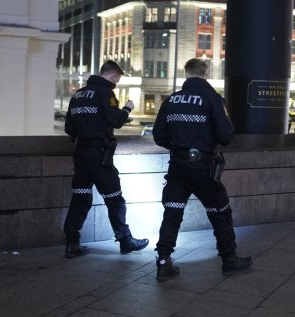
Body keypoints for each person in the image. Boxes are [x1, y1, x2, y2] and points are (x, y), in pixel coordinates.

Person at [151, 58, 252, 280]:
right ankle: (229, 259)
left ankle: (163, 261)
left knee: (172, 212)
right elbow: (226, 135)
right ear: (205, 74)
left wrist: (178, 147)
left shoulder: (171, 99)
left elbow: (158, 135)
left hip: (177, 165)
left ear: (186, 73)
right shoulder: (212, 98)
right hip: (202, 166)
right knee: (220, 211)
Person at [62, 60, 148, 258]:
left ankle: (72, 243)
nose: (116, 83)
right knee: (114, 199)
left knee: (80, 199)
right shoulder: (105, 93)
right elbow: (116, 121)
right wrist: (127, 108)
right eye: (117, 79)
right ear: (113, 75)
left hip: (81, 155)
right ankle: (125, 240)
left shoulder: (78, 95)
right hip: (100, 156)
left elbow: (69, 128)